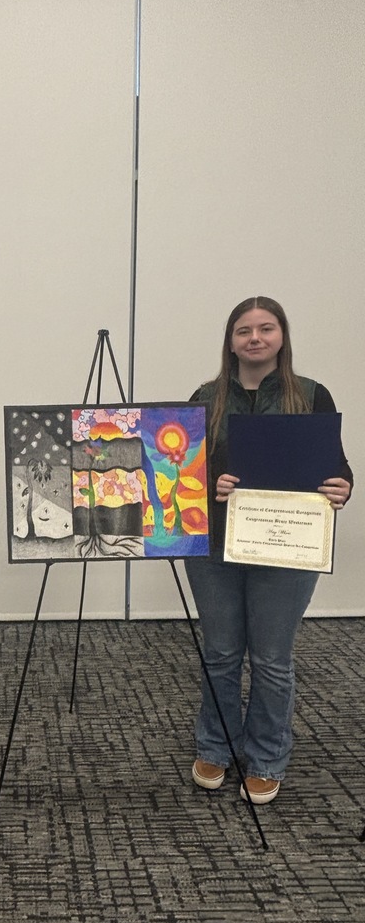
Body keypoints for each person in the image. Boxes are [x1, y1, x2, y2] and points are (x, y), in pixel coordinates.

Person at [185, 296, 353, 805]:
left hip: (287, 545)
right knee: (220, 653)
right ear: (230, 340)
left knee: (272, 659)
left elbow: (336, 466)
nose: (255, 338)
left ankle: (265, 757)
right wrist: (211, 483)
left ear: (282, 336)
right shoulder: (205, 396)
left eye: (265, 328)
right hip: (215, 546)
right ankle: (216, 746)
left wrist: (343, 486)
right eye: (244, 330)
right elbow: (180, 473)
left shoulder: (312, 395)